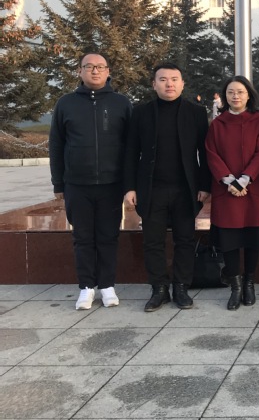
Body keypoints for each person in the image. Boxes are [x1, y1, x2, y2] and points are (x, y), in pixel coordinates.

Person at [124, 63, 211, 312]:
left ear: (182, 84)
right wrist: (130, 187)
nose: (169, 84)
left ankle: (181, 287)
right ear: (154, 84)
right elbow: (131, 152)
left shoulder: (196, 112)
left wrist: (204, 185)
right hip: (152, 188)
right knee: (153, 241)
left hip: (186, 189)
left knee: (185, 240)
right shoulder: (141, 113)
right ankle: (159, 289)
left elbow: (204, 153)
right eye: (163, 79)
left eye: (174, 79)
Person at [49, 52, 132, 310]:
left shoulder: (121, 103)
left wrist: (129, 184)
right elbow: (56, 145)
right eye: (89, 66)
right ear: (79, 71)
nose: (95, 71)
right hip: (77, 184)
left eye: (100, 67)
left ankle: (107, 285)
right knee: (82, 237)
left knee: (108, 236)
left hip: (111, 184)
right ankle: (86, 287)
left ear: (108, 71)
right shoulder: (66, 104)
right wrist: (58, 184)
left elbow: (131, 147)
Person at [205, 75, 259, 311]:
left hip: (253, 187)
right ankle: (235, 286)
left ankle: (249, 283)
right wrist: (229, 180)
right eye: (231, 92)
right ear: (225, 96)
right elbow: (211, 153)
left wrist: (244, 180)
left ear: (249, 95)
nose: (236, 96)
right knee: (229, 240)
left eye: (240, 92)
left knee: (252, 239)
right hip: (227, 190)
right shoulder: (218, 124)